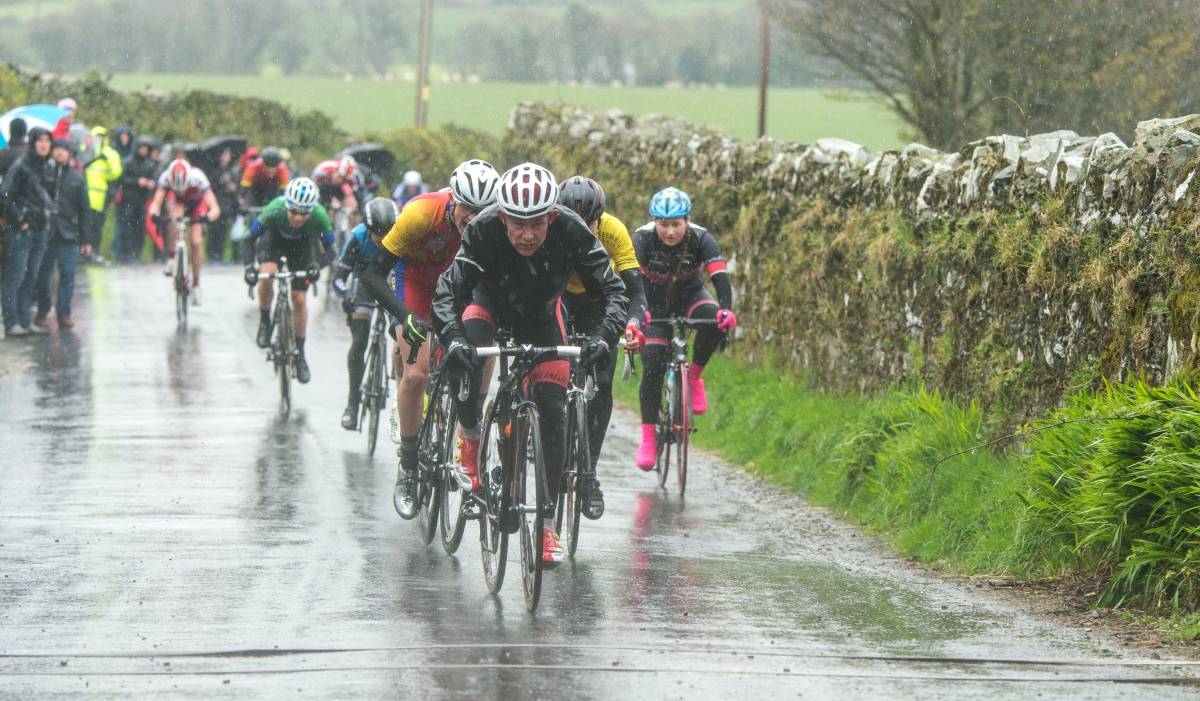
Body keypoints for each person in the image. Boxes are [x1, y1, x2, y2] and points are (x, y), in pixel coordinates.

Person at [429, 162, 627, 566]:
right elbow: (448, 293)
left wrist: (604, 338)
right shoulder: (484, 229)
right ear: (502, 216)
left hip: (541, 315)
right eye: (517, 223)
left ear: (552, 217)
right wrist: (452, 340)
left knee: (554, 411)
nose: (527, 234)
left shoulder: (571, 229)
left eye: (537, 223)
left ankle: (546, 523)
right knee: (467, 354)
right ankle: (469, 441)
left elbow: (613, 289)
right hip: (489, 305)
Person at [360, 159, 500, 509]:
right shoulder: (421, 214)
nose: (473, 217)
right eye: (468, 208)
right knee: (417, 373)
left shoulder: (497, 224)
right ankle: (408, 466)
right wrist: (402, 314)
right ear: (454, 199)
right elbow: (374, 274)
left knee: (487, 347)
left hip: (457, 286)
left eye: (482, 210)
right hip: (413, 281)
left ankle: (471, 417)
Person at [556, 175, 648, 519]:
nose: (583, 230)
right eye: (574, 222)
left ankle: (589, 473)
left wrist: (634, 324)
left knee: (604, 383)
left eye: (590, 223)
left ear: (601, 218)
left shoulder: (614, 231)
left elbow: (634, 291)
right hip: (559, 298)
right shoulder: (549, 228)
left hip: (599, 303)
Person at [632, 187, 737, 469]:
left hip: (690, 295)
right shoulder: (641, 239)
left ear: (687, 220)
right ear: (654, 221)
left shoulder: (702, 238)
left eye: (676, 225)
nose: (669, 232)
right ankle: (648, 440)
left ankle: (694, 376)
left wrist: (726, 308)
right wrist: (635, 314)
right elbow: (629, 280)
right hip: (654, 304)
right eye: (663, 225)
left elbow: (719, 275)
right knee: (652, 362)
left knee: (714, 321)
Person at [243, 177, 333, 385]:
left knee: (299, 299)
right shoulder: (274, 209)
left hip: (302, 247)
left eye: (304, 213)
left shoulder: (319, 216)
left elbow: (332, 251)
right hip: (275, 240)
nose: (299, 218)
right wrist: (249, 267)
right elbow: (249, 239)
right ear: (287, 206)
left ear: (311, 210)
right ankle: (265, 321)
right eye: (294, 212)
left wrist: (316, 266)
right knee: (267, 274)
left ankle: (300, 354)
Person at [333, 197, 398, 430]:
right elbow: (339, 279)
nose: (381, 240)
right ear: (368, 230)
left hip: (391, 281)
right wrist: (346, 296)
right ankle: (352, 404)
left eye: (386, 234)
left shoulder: (404, 235)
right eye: (376, 234)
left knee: (403, 334)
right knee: (359, 341)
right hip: (364, 283)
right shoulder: (357, 237)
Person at [0, 127, 54, 337]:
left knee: (31, 275)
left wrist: (48, 221)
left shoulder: (47, 166)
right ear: (32, 143)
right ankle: (12, 322)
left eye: (47, 141)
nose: (44, 145)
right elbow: (5, 194)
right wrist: (20, 220)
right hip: (21, 229)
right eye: (40, 140)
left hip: (40, 228)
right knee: (16, 275)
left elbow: (47, 198)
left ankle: (24, 319)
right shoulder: (21, 165)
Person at [147, 159, 220, 304]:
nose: (181, 190)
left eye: (183, 187)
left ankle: (196, 284)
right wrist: (154, 215)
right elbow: (156, 203)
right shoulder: (165, 178)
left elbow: (215, 208)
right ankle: (172, 257)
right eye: (177, 187)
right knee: (174, 219)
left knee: (196, 242)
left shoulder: (198, 178)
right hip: (178, 203)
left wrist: (207, 217)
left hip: (196, 205)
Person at [34, 140, 89, 329]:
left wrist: (86, 239)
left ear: (70, 154)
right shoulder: (44, 174)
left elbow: (84, 210)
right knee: (43, 274)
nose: (60, 153)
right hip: (47, 231)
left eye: (64, 150)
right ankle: (43, 309)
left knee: (67, 274)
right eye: (57, 149)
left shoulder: (77, 178)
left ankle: (63, 312)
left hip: (69, 233)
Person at [82, 126, 123, 264]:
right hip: (83, 195)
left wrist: (107, 160)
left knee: (96, 227)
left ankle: (94, 252)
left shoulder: (110, 153)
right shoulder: (85, 149)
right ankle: (82, 253)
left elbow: (115, 173)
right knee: (83, 226)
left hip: (100, 198)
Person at [115, 136, 158, 262]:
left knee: (139, 230)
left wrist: (150, 183)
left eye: (146, 148)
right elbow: (122, 180)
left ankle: (136, 254)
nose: (143, 151)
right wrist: (136, 181)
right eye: (141, 148)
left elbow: (153, 180)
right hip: (128, 200)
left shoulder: (149, 164)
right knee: (126, 229)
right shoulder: (128, 162)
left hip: (142, 201)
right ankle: (125, 254)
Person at [208, 149, 240, 262]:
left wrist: (232, 187)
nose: (226, 157)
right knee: (213, 230)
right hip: (216, 202)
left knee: (223, 230)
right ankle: (212, 254)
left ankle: (220, 255)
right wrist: (220, 181)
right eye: (224, 155)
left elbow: (236, 188)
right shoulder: (215, 170)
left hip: (227, 205)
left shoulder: (232, 170)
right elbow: (211, 187)